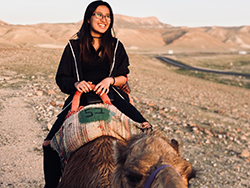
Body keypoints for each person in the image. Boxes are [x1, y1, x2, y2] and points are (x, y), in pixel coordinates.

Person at [42, 1, 151, 187]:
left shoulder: (116, 46)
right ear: (88, 18)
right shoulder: (73, 46)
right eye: (99, 15)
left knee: (147, 130)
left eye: (107, 16)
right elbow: (61, 78)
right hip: (81, 97)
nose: (104, 19)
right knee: (49, 143)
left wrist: (110, 80)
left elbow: (124, 76)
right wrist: (77, 83)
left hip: (113, 96)